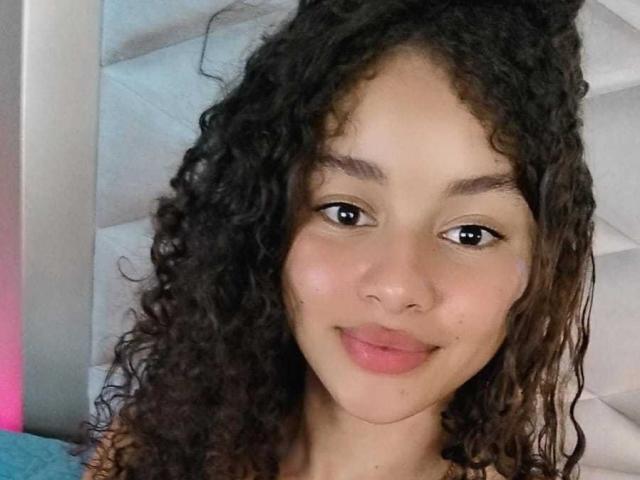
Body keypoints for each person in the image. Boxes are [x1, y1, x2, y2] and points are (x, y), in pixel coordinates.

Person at [73, 0, 596, 479]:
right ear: (266, 224)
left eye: (470, 233)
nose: (397, 287)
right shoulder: (149, 445)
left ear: (541, 267)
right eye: (346, 213)